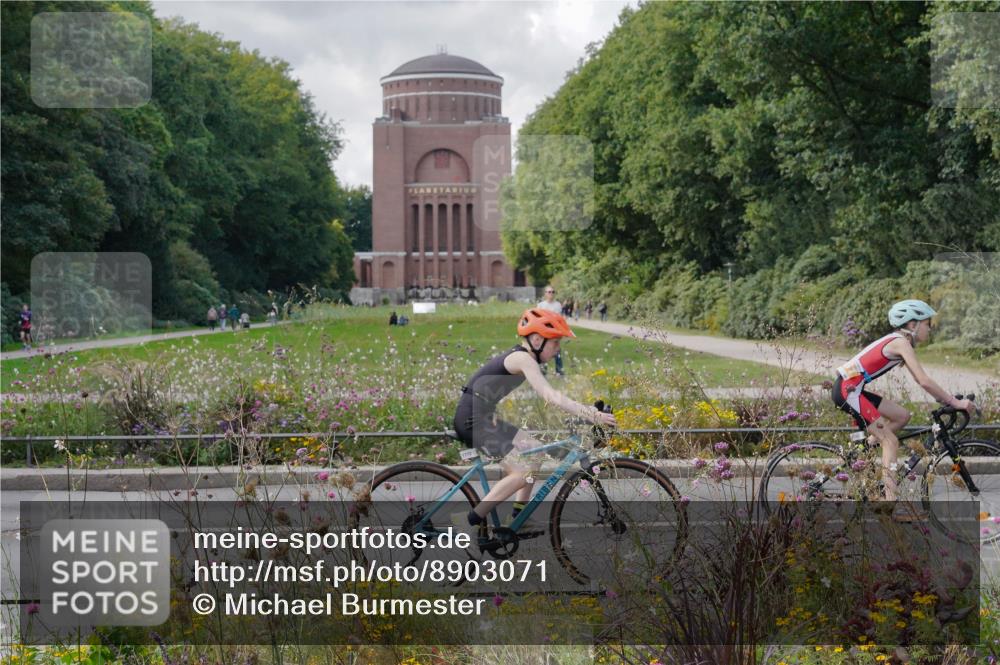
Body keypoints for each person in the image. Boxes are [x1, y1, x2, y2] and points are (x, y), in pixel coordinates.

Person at [452, 308, 617, 548]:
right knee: (521, 472)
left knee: (535, 451)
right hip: (472, 420)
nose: (558, 349)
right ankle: (468, 522)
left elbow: (551, 397)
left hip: (483, 417)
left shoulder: (524, 358)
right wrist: (591, 413)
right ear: (537, 340)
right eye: (555, 343)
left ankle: (518, 517)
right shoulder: (523, 359)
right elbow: (550, 395)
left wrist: (585, 411)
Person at [831, 299, 975, 508]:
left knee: (902, 416)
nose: (929, 328)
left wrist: (944, 399)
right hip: (848, 391)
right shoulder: (900, 343)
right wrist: (955, 402)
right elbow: (923, 380)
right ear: (912, 324)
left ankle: (866, 447)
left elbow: (920, 380)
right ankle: (890, 505)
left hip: (851, 389)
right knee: (890, 442)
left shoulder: (898, 341)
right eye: (927, 324)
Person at [536, 286, 565, 376]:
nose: (551, 294)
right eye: (549, 292)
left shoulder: (558, 305)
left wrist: (561, 332)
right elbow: (537, 319)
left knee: (557, 350)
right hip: (544, 331)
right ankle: (543, 371)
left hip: (555, 330)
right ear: (545, 293)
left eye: (553, 292)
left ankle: (559, 371)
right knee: (543, 351)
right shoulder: (541, 305)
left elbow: (559, 319)